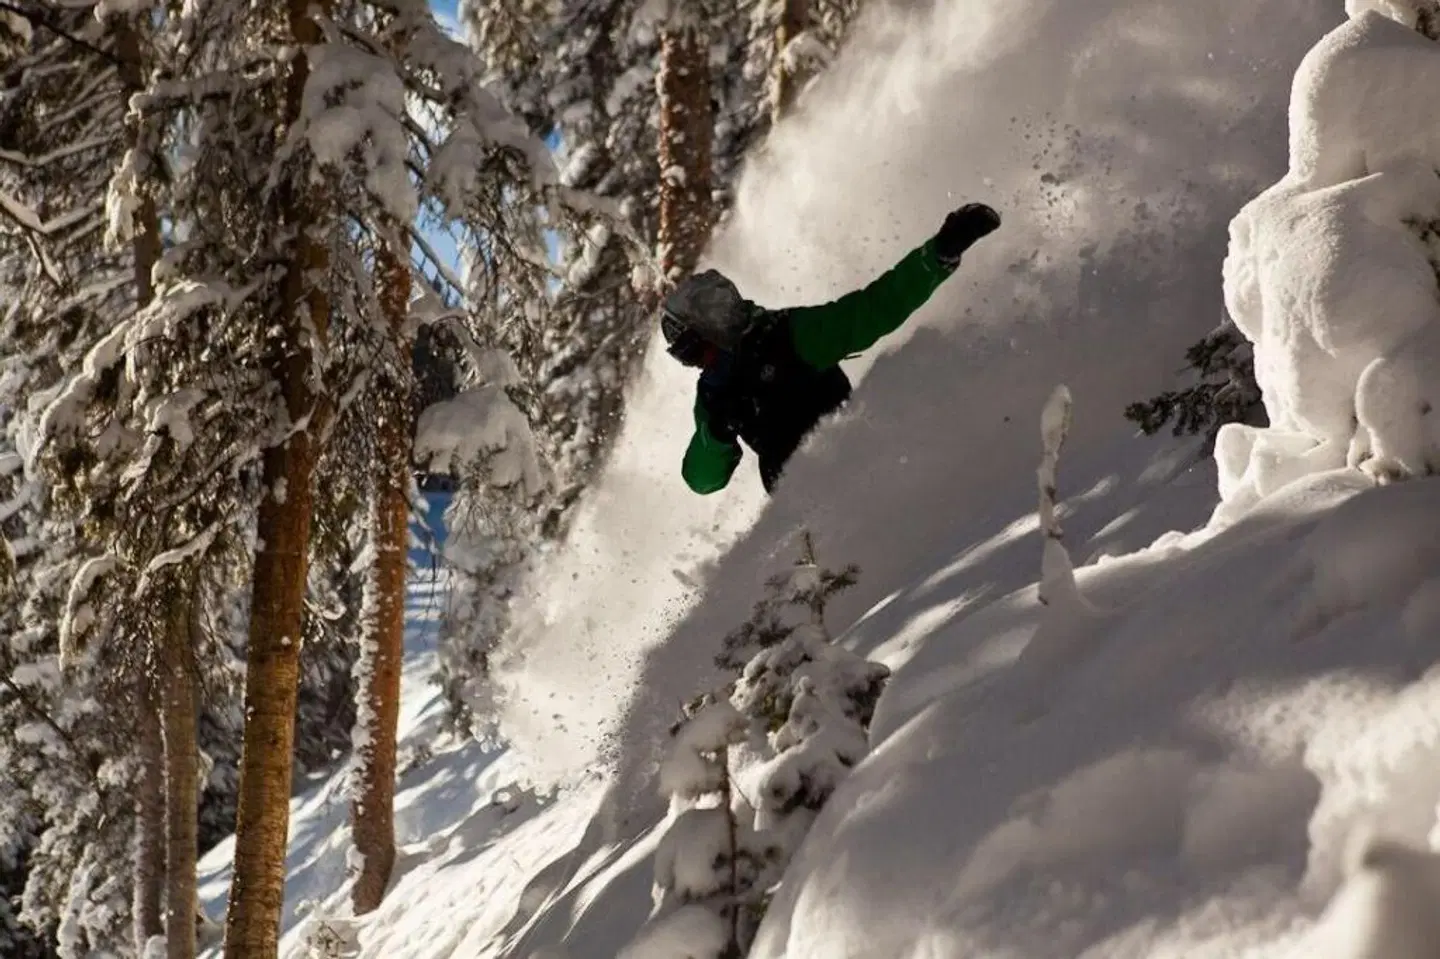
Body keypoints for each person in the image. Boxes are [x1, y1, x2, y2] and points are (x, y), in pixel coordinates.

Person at [660, 202, 1002, 495]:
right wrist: (718, 433)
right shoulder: (713, 396)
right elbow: (700, 480)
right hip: (797, 505)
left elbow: (874, 310)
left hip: (862, 464)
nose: (699, 365)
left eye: (697, 352)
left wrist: (939, 253)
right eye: (687, 358)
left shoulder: (789, 336)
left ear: (717, 329)